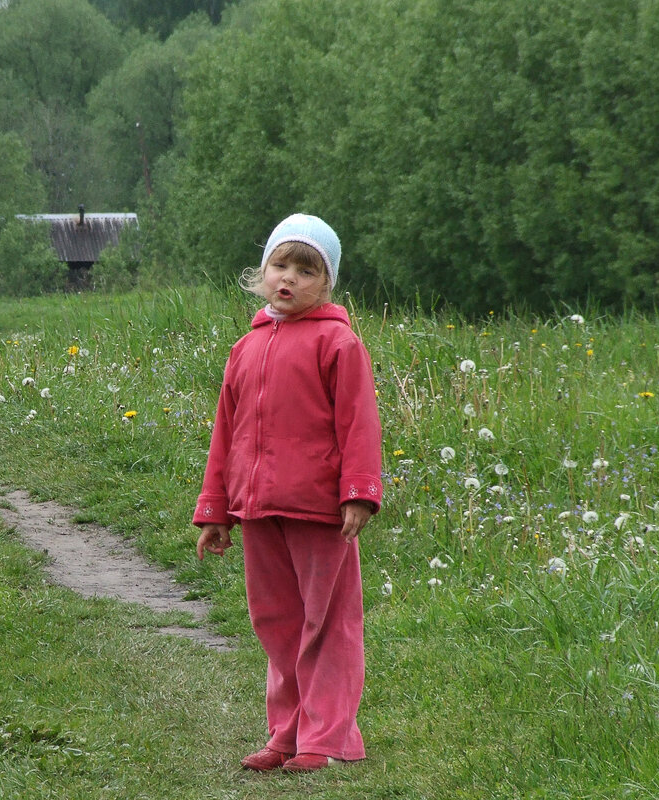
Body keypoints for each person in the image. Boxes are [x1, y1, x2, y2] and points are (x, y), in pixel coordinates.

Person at [193, 213, 382, 774]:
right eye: (281, 265)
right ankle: (288, 731)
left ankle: (329, 738)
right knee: (275, 620)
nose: (290, 278)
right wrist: (215, 510)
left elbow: (358, 423)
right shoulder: (245, 348)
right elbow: (225, 433)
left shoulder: (338, 342)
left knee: (328, 621)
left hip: (320, 510)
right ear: (262, 271)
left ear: (326, 283)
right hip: (257, 510)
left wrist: (358, 493)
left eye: (307, 270)